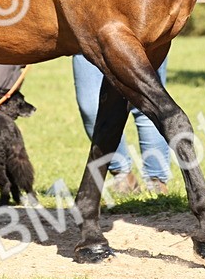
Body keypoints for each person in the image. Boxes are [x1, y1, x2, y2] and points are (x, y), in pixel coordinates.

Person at [72, 55, 171, 194]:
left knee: (148, 106)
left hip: (139, 37)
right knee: (90, 107)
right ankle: (121, 171)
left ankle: (156, 180)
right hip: (86, 39)